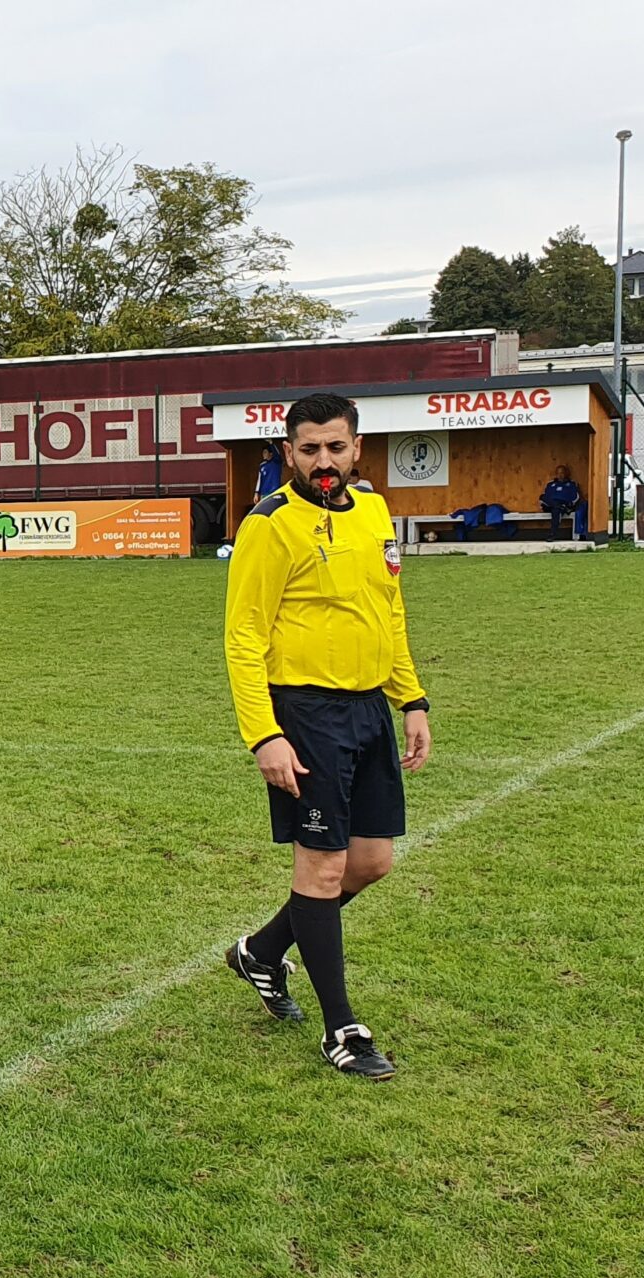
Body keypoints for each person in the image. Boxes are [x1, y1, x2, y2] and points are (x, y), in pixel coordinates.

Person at [223, 392, 431, 1082]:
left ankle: (260, 951)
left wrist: (411, 699)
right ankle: (343, 1029)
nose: (323, 462)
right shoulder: (270, 524)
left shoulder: (373, 511)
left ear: (356, 448)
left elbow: (389, 610)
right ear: (289, 453)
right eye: (308, 449)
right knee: (323, 869)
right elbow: (243, 636)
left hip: (369, 709)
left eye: (334, 448)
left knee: (372, 863)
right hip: (305, 716)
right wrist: (265, 735)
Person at [540, 466, 585, 540]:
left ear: (566, 474)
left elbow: (576, 498)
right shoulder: (551, 484)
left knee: (556, 510)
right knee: (544, 498)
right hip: (550, 505)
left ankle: (552, 534)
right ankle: (560, 507)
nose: (560, 475)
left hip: (564, 505)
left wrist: (568, 504)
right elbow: (544, 498)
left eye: (562, 473)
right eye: (558, 473)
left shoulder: (572, 484)